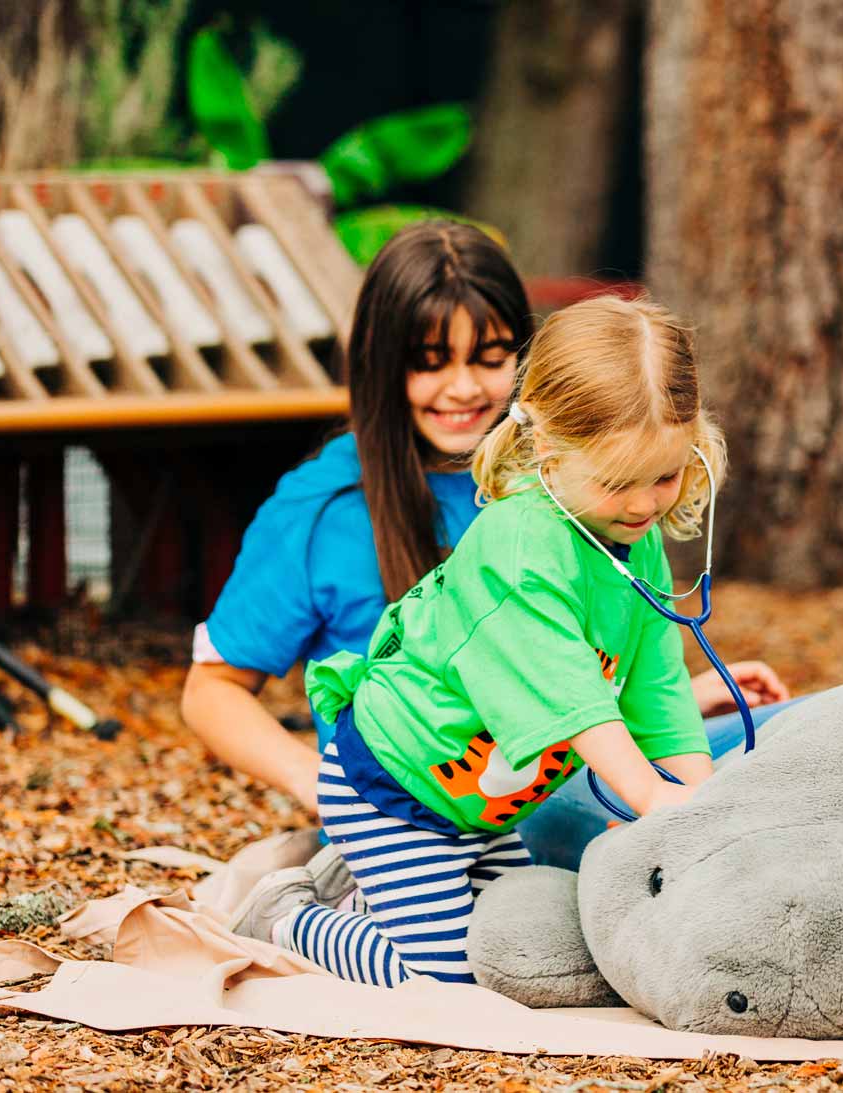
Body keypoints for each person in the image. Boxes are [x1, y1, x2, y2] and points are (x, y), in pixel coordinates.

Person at [180, 224, 789, 863]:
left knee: (797, 734)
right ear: (380, 365)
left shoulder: (586, 487)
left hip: (552, 766)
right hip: (427, 801)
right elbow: (210, 692)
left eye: (491, 357)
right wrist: (333, 795)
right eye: (431, 361)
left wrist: (680, 701)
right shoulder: (320, 509)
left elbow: (567, 676)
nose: (465, 388)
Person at [229, 295, 730, 986]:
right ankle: (287, 913)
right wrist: (648, 796)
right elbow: (568, 691)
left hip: (486, 807)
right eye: (620, 482)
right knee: (442, 974)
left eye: (667, 475)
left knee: (519, 946)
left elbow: (659, 684)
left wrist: (693, 802)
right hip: (394, 782)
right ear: (551, 452)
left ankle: (370, 895)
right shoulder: (517, 547)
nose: (647, 503)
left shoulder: (629, 539)